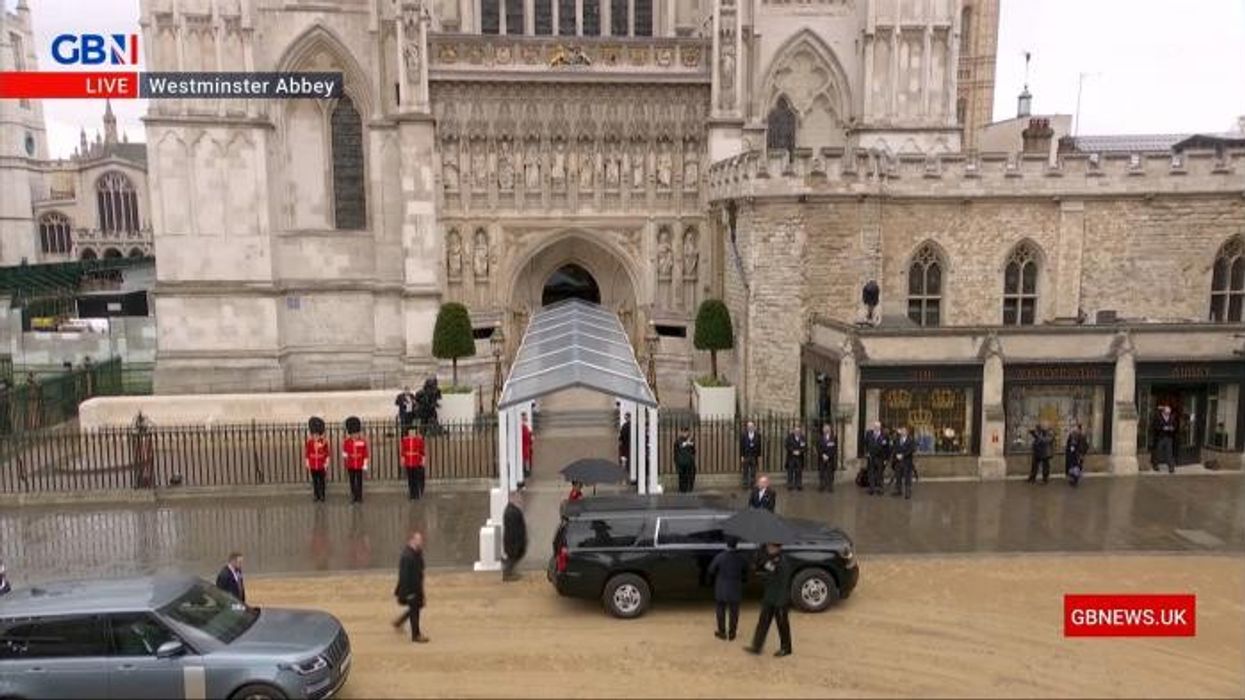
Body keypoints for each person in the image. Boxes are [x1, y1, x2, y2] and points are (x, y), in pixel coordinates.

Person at [745, 542, 793, 657]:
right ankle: (757, 646)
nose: (768, 548)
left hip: (779, 598)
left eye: (769, 546)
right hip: (770, 596)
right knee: (763, 622)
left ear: (776, 548)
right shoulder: (772, 559)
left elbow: (777, 577)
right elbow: (763, 567)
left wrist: (763, 566)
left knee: (782, 624)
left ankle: (786, 648)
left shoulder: (782, 561)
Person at [392, 531, 429, 643]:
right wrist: (408, 592)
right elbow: (404, 576)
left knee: (417, 607)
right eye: (418, 540)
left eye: (421, 540)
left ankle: (399, 622)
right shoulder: (407, 556)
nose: (420, 542)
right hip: (410, 589)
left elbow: (421, 569)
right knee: (415, 610)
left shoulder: (417, 553)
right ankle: (416, 635)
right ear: (411, 540)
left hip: (416, 587)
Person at [707, 538, 747, 641]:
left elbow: (711, 570)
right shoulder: (741, 558)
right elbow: (745, 572)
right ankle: (732, 634)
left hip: (721, 588)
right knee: (734, 612)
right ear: (736, 545)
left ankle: (722, 632)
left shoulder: (720, 556)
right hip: (736, 588)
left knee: (720, 611)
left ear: (726, 545)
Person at [343, 416, 369, 503]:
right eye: (353, 434)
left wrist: (365, 464)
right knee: (352, 482)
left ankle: (359, 496)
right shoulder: (347, 442)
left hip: (359, 464)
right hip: (351, 465)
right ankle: (353, 496)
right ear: (350, 434)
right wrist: (346, 460)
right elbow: (345, 453)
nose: (355, 435)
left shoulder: (362, 441)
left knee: (359, 481)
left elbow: (365, 453)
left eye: (356, 433)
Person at [502, 492, 528, 582]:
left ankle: (509, 572)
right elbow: (514, 529)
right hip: (513, 541)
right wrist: (517, 542)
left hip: (514, 540)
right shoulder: (512, 512)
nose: (520, 500)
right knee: (512, 557)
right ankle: (507, 574)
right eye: (518, 499)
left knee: (514, 557)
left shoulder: (512, 510)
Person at [305, 416, 329, 502]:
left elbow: (326, 453)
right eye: (314, 435)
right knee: (315, 482)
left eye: (317, 435)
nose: (315, 436)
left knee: (322, 482)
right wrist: (307, 461)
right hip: (313, 465)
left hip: (321, 465)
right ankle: (316, 495)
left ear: (319, 434)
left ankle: (322, 495)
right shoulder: (310, 443)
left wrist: (326, 462)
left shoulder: (324, 442)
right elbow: (307, 453)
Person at [864, 421, 890, 496]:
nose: (876, 428)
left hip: (880, 458)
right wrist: (867, 452)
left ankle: (880, 489)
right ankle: (871, 488)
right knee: (871, 473)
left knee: (879, 473)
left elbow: (887, 448)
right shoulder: (869, 434)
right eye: (875, 426)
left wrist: (886, 459)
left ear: (880, 427)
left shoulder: (884, 436)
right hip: (871, 457)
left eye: (878, 427)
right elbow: (865, 444)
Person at [401, 426, 427, 500]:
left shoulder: (419, 440)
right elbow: (403, 451)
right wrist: (403, 460)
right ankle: (411, 494)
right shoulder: (405, 440)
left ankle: (417, 494)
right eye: (410, 432)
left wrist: (423, 461)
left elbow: (422, 452)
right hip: (409, 462)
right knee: (410, 479)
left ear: (415, 433)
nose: (411, 433)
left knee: (416, 479)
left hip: (416, 461)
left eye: (413, 432)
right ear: (408, 433)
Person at [891, 425, 916, 499]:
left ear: (907, 432)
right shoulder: (897, 439)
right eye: (902, 431)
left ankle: (908, 492)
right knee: (898, 476)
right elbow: (894, 448)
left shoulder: (910, 440)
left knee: (907, 477)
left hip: (907, 462)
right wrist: (896, 456)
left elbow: (912, 450)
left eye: (904, 431)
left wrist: (903, 455)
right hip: (898, 462)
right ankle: (898, 490)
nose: (903, 432)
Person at [1151, 405, 1177, 474]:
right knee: (1158, 452)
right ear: (1163, 412)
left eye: (1169, 413)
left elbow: (1175, 425)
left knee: (1169, 452)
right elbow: (1155, 426)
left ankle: (1171, 467)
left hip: (1169, 437)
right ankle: (1155, 465)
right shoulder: (1158, 417)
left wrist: (1172, 428)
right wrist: (1162, 428)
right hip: (1160, 437)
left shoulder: (1172, 417)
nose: (1168, 414)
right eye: (1166, 413)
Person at [739, 421, 762, 490]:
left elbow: (759, 446)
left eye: (751, 426)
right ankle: (745, 484)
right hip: (746, 455)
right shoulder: (743, 435)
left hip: (754, 455)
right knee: (745, 471)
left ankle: (752, 484)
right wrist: (742, 456)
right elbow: (741, 446)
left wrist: (759, 455)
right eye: (749, 426)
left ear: (754, 427)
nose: (750, 428)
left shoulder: (757, 435)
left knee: (753, 471)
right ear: (747, 427)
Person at [1065, 423, 1089, 487]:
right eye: (1073, 428)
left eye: (1075, 428)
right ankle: (1073, 479)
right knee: (1073, 466)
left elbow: (1085, 446)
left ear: (1079, 429)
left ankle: (1075, 480)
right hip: (1072, 455)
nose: (1074, 429)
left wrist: (1082, 453)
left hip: (1078, 455)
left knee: (1077, 467)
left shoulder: (1082, 436)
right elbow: (1069, 445)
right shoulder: (1072, 436)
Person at [784, 425, 807, 491]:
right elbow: (786, 445)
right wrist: (793, 451)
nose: (797, 432)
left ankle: (798, 484)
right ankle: (790, 485)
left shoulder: (803, 438)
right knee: (790, 471)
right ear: (793, 431)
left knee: (799, 471)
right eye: (796, 430)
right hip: (791, 457)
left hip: (799, 458)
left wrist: (800, 452)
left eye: (798, 431)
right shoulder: (789, 437)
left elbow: (805, 447)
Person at [674, 426, 697, 493]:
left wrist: (690, 444)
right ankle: (683, 491)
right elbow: (679, 448)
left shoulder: (690, 441)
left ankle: (689, 489)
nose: (685, 433)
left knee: (690, 476)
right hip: (682, 463)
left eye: (686, 432)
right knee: (682, 478)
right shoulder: (678, 441)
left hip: (689, 462)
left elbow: (693, 451)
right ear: (681, 432)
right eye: (684, 432)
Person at [817, 424, 838, 492]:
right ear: (823, 430)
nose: (826, 430)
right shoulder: (820, 438)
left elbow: (834, 449)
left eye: (828, 428)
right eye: (825, 428)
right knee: (822, 472)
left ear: (830, 429)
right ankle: (822, 486)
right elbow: (818, 448)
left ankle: (830, 486)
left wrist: (828, 456)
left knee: (830, 473)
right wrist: (823, 455)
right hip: (822, 458)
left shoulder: (833, 438)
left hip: (830, 458)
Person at [521, 412, 533, 480]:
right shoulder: (524, 427)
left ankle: (526, 471)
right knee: (525, 459)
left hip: (526, 445)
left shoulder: (525, 426)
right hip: (525, 445)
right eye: (525, 417)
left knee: (526, 458)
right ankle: (526, 471)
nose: (526, 418)